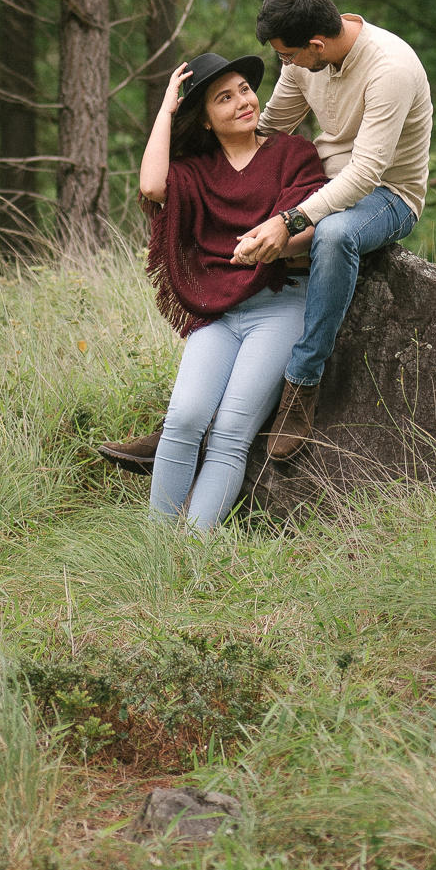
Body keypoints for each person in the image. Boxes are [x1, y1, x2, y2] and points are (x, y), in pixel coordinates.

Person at [102, 0, 432, 468]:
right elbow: (271, 126)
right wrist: (205, 161)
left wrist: (290, 217)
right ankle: (185, 425)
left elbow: (365, 173)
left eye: (290, 56)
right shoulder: (305, 60)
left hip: (384, 195)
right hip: (318, 185)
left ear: (315, 45)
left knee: (336, 235)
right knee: (234, 230)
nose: (288, 65)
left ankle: (302, 386)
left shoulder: (391, 69)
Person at [138, 51, 329, 531]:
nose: (244, 101)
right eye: (224, 98)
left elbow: (310, 222)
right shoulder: (199, 169)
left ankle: (192, 551)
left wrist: (276, 239)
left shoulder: (292, 153)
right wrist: (166, 109)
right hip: (218, 313)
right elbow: (152, 185)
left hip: (281, 303)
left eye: (244, 88)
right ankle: (156, 547)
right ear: (203, 121)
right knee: (184, 420)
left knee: (229, 434)